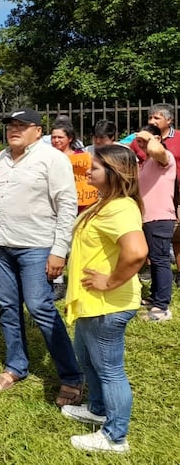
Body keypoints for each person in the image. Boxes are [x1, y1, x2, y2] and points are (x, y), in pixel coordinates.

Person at [0, 108, 83, 405]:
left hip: (37, 246)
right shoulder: (3, 159)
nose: (14, 130)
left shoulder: (52, 159)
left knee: (40, 307)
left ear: (38, 130)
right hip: (2, 246)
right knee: (8, 307)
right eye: (10, 125)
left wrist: (59, 250)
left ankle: (71, 376)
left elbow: (67, 205)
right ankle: (16, 367)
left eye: (22, 125)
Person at [62, 145, 147, 454]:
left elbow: (137, 252)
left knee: (110, 370)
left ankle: (115, 436)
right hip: (92, 303)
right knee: (87, 360)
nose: (87, 171)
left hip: (108, 305)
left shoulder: (121, 207)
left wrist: (110, 281)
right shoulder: (105, 203)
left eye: (95, 168)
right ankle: (97, 409)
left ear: (113, 174)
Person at [129, 104, 180, 286]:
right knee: (156, 255)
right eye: (150, 118)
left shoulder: (164, 151)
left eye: (156, 118)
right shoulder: (147, 158)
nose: (152, 121)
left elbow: (159, 153)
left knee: (169, 249)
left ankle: (162, 299)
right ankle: (156, 290)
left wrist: (149, 138)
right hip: (150, 209)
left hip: (167, 204)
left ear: (169, 120)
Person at [133, 125, 175, 321]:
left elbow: (157, 149)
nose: (140, 143)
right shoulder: (148, 162)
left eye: (145, 140)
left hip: (160, 218)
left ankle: (162, 306)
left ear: (156, 138)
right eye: (139, 140)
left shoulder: (164, 157)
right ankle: (156, 298)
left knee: (160, 261)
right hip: (148, 218)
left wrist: (150, 138)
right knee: (155, 260)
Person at [49, 120, 86, 300]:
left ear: (70, 138)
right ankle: (58, 283)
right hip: (54, 207)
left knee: (76, 246)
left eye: (60, 137)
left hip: (80, 207)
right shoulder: (47, 156)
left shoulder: (82, 158)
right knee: (57, 244)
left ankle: (79, 281)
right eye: (53, 137)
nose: (56, 140)